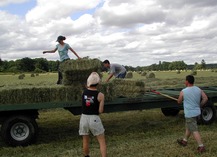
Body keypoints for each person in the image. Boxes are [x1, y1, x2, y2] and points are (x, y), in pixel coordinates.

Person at [177, 75, 208, 153]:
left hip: (189, 113)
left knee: (194, 130)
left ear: (187, 81)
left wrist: (181, 99)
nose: (184, 82)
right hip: (197, 112)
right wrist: (200, 105)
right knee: (189, 127)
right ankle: (184, 141)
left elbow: (179, 101)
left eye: (185, 80)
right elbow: (205, 98)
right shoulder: (198, 89)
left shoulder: (183, 91)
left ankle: (201, 146)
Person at [79, 72, 107, 157]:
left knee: (85, 140)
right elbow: (100, 110)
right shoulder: (100, 95)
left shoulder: (84, 93)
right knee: (101, 141)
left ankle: (87, 156)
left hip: (83, 118)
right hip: (94, 118)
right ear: (98, 83)